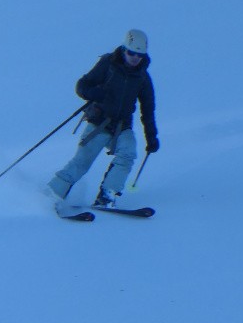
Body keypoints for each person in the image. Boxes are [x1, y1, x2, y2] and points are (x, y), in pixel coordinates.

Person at [45, 29, 159, 208]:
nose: (135, 58)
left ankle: (106, 196)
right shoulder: (108, 64)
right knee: (82, 162)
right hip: (99, 123)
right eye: (131, 53)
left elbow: (148, 109)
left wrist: (151, 137)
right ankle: (52, 194)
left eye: (139, 54)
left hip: (122, 126)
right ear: (124, 49)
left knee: (128, 154)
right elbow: (82, 85)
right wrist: (93, 93)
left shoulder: (143, 78)